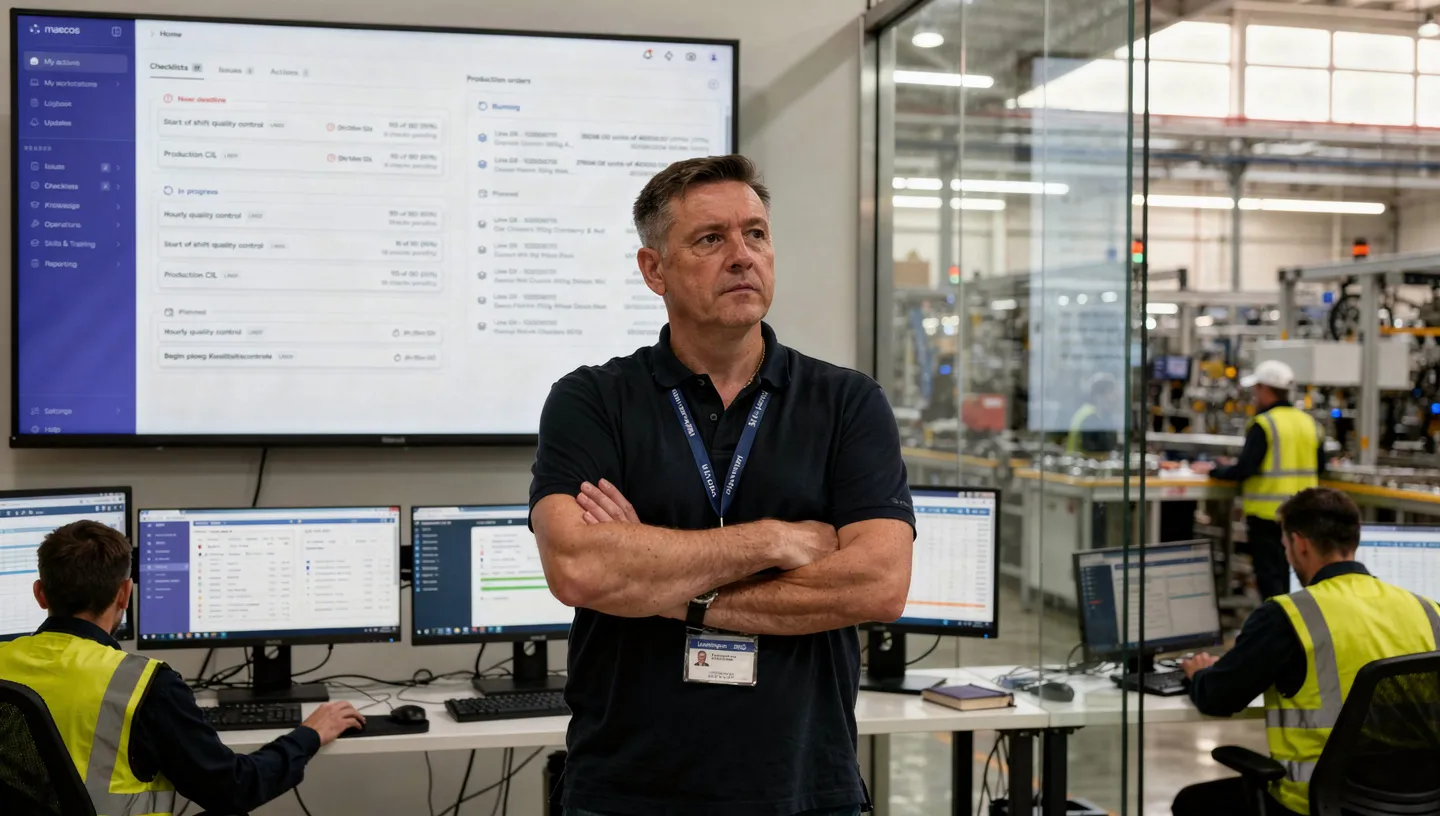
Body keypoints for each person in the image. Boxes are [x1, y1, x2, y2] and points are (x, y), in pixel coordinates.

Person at [530, 154, 915, 816]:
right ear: (655, 270)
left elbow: (878, 584)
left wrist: (664, 586)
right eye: (710, 239)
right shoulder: (591, 400)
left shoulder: (847, 403)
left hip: (804, 787)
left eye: (756, 234)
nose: (742, 256)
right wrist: (774, 539)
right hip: (626, 792)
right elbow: (581, 569)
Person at [0, 520, 366, 816]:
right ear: (125, 593)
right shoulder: (141, 685)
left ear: (40, 593)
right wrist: (310, 734)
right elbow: (236, 790)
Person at [1172, 488, 1440, 816]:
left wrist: (1198, 673)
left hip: (1316, 804)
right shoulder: (1430, 611)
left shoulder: (1288, 615)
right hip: (1424, 802)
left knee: (1193, 803)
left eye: (1285, 546)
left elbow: (1219, 698)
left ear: (1299, 543)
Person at [1193, 359, 1326, 599]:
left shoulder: (1265, 424)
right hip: (1303, 515)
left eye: (1256, 389)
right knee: (1297, 579)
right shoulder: (1310, 423)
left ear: (1265, 389)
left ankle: (1277, 630)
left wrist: (1213, 470)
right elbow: (1322, 467)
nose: (1254, 396)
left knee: (1271, 581)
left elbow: (1245, 469)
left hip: (1267, 516)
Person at [1065, 372, 1120, 458]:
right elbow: (1096, 451)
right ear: (1100, 395)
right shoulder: (1090, 417)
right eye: (1112, 393)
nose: (1116, 398)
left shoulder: (1098, 414)